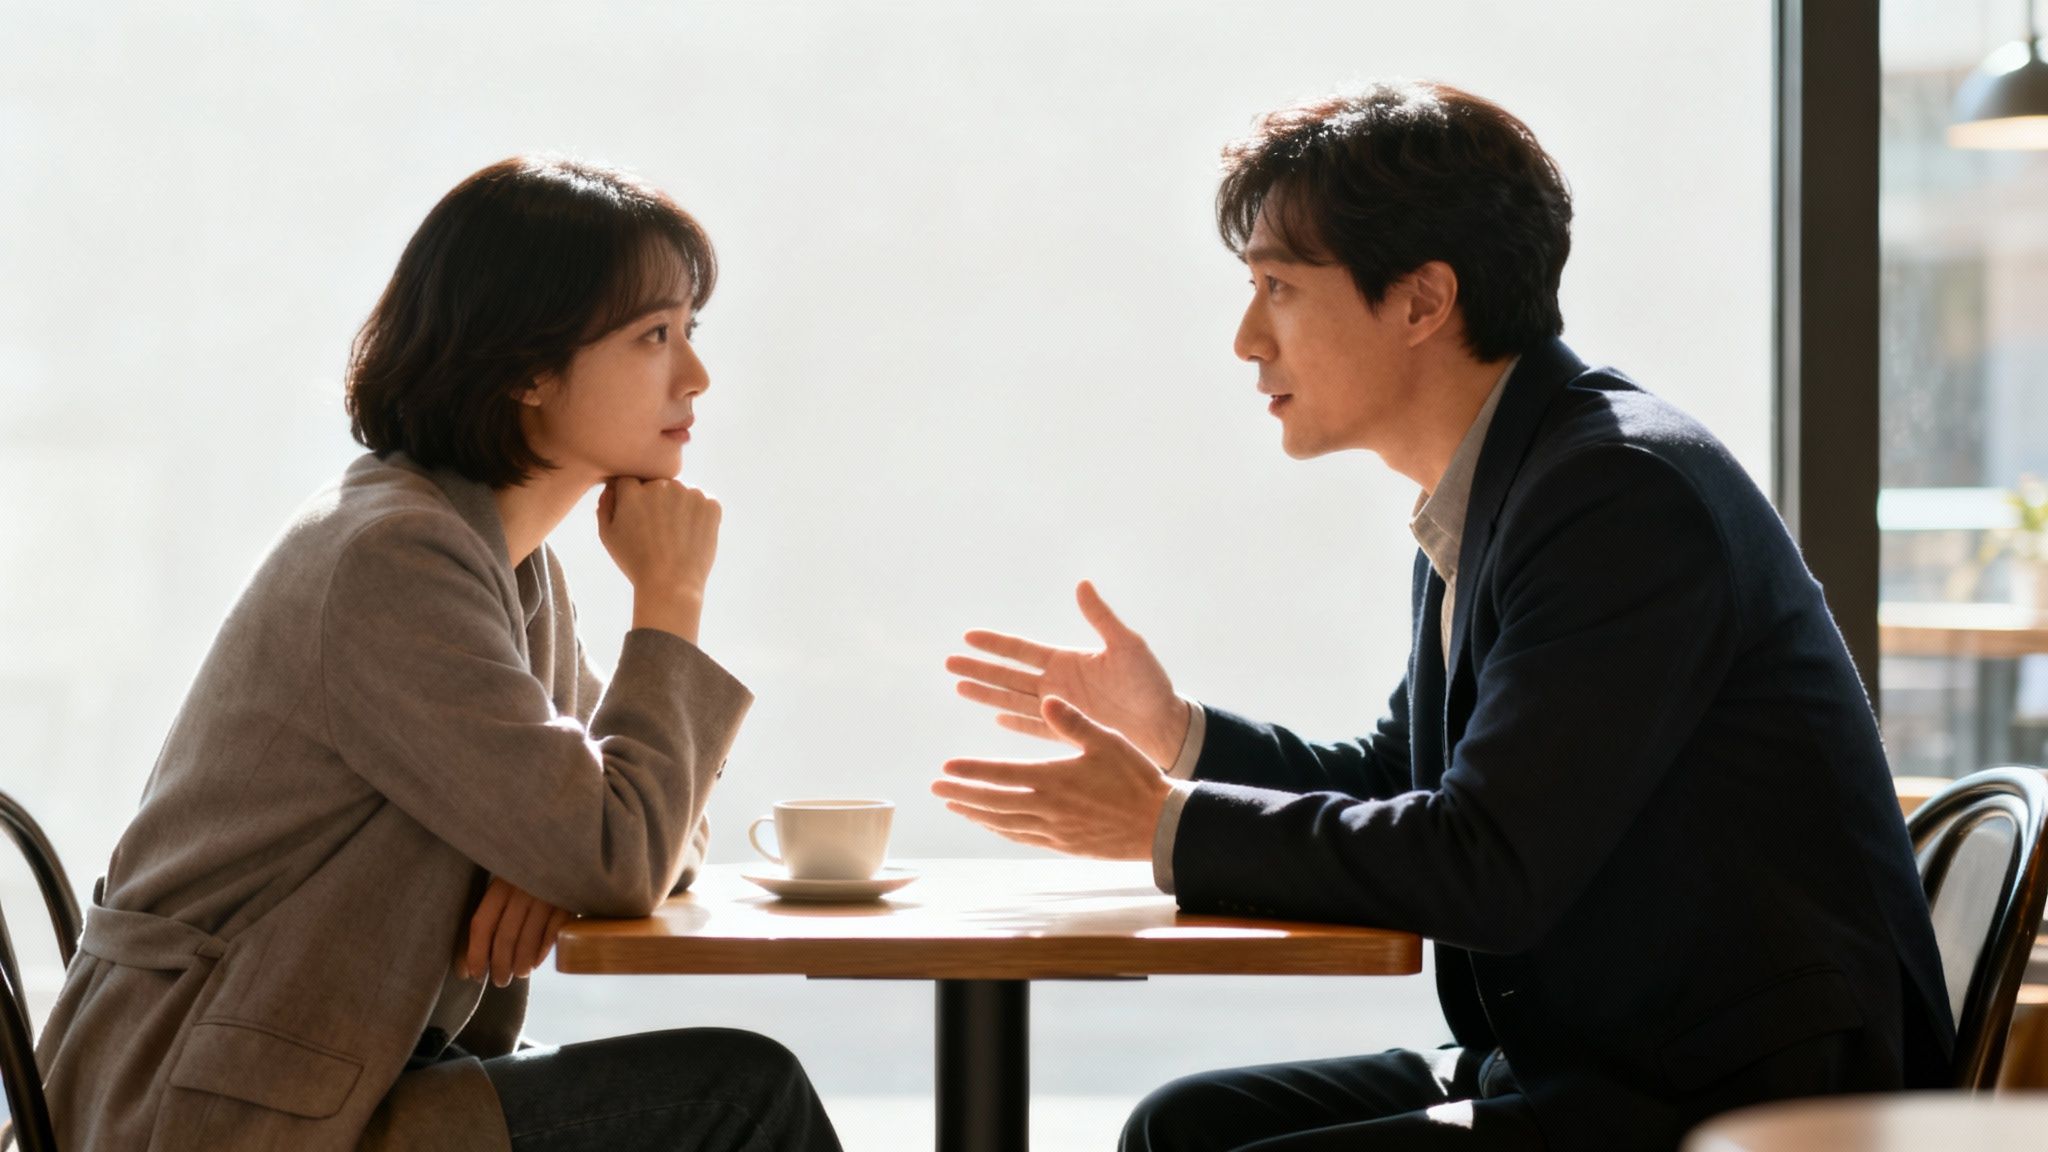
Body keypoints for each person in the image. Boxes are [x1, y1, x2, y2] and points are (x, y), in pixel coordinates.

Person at [935, 82, 1954, 1151]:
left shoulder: (1616, 493)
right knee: (1182, 1127)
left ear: (1422, 301)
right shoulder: (1508, 482)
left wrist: (1162, 824)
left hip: (1734, 1090)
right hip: (1604, 1056)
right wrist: (1173, 733)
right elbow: (1405, 782)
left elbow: (1487, 863)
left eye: (1278, 287)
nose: (1245, 338)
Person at [34, 157, 842, 1152]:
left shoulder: (506, 562)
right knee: (741, 1097)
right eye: (653, 336)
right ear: (527, 369)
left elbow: (653, 829)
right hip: (210, 1110)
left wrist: (557, 856)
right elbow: (625, 848)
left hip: (322, 1075)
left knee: (724, 1090)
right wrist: (668, 601)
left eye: (689, 331)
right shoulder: (394, 558)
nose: (696, 377)